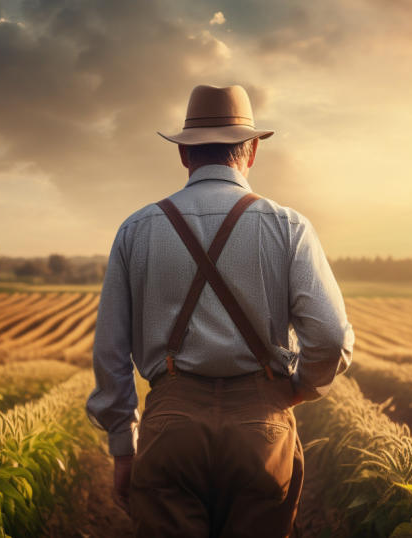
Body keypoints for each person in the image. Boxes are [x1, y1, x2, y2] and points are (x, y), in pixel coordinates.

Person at [86, 84, 354, 537]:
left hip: (171, 428)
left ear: (185, 156)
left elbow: (110, 352)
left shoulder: (136, 229)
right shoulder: (288, 226)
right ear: (250, 152)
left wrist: (122, 447)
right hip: (260, 430)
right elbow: (329, 338)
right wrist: (294, 391)